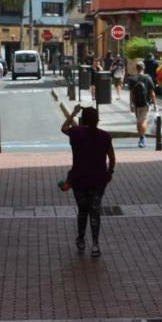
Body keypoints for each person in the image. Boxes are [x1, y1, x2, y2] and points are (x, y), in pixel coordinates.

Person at [61, 105, 116, 258]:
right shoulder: (105, 136)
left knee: (82, 210)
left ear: (83, 119)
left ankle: (80, 239)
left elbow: (63, 127)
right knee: (95, 210)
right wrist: (110, 172)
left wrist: (73, 112)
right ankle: (95, 244)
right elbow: (112, 158)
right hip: (99, 179)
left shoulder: (76, 133)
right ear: (97, 120)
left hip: (79, 178)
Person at [127, 61, 158, 147]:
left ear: (136, 68)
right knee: (143, 120)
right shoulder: (148, 78)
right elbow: (152, 92)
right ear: (143, 68)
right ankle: (142, 138)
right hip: (146, 103)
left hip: (136, 103)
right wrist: (155, 104)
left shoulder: (132, 79)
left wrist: (131, 104)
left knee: (138, 121)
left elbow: (131, 93)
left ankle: (141, 137)